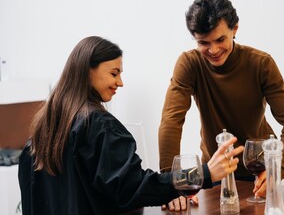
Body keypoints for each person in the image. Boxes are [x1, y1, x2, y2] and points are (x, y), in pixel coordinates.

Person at [17, 36, 244, 215]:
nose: (120, 82)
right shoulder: (99, 126)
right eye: (114, 73)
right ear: (88, 70)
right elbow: (136, 187)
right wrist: (204, 173)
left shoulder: (40, 136)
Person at [159, 0, 284, 210]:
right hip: (215, 172)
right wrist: (170, 185)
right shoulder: (189, 63)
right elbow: (171, 121)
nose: (214, 50)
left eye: (220, 40)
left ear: (235, 29)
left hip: (259, 174)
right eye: (203, 43)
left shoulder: (261, 64)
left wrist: (277, 170)